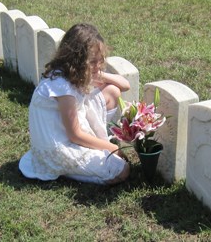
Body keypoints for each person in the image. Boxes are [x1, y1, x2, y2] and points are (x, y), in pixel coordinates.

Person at [19, 23, 130, 185]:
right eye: (93, 62)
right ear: (76, 60)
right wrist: (112, 148)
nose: (98, 66)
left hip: (67, 134)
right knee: (121, 170)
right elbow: (74, 134)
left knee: (112, 91)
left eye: (101, 60)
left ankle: (89, 157)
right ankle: (68, 170)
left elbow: (124, 85)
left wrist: (100, 75)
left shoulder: (76, 72)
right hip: (59, 147)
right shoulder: (62, 86)